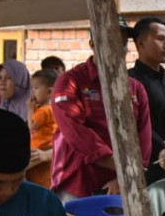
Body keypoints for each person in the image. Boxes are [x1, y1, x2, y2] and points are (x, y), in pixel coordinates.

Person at [50, 43, 152, 201]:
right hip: (79, 183)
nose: (116, 45)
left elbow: (144, 137)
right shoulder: (70, 81)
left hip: (123, 186)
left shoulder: (135, 88)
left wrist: (125, 177)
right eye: (108, 38)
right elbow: (75, 131)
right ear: (93, 43)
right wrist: (124, 169)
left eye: (122, 42)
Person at [126, 16, 165, 185]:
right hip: (146, 169)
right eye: (160, 39)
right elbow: (135, 127)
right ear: (140, 43)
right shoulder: (129, 82)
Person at [26, 68, 58, 188]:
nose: (33, 92)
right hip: (46, 149)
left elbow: (31, 127)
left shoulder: (44, 110)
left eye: (36, 88)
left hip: (40, 149)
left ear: (49, 91)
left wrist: (29, 109)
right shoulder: (53, 108)